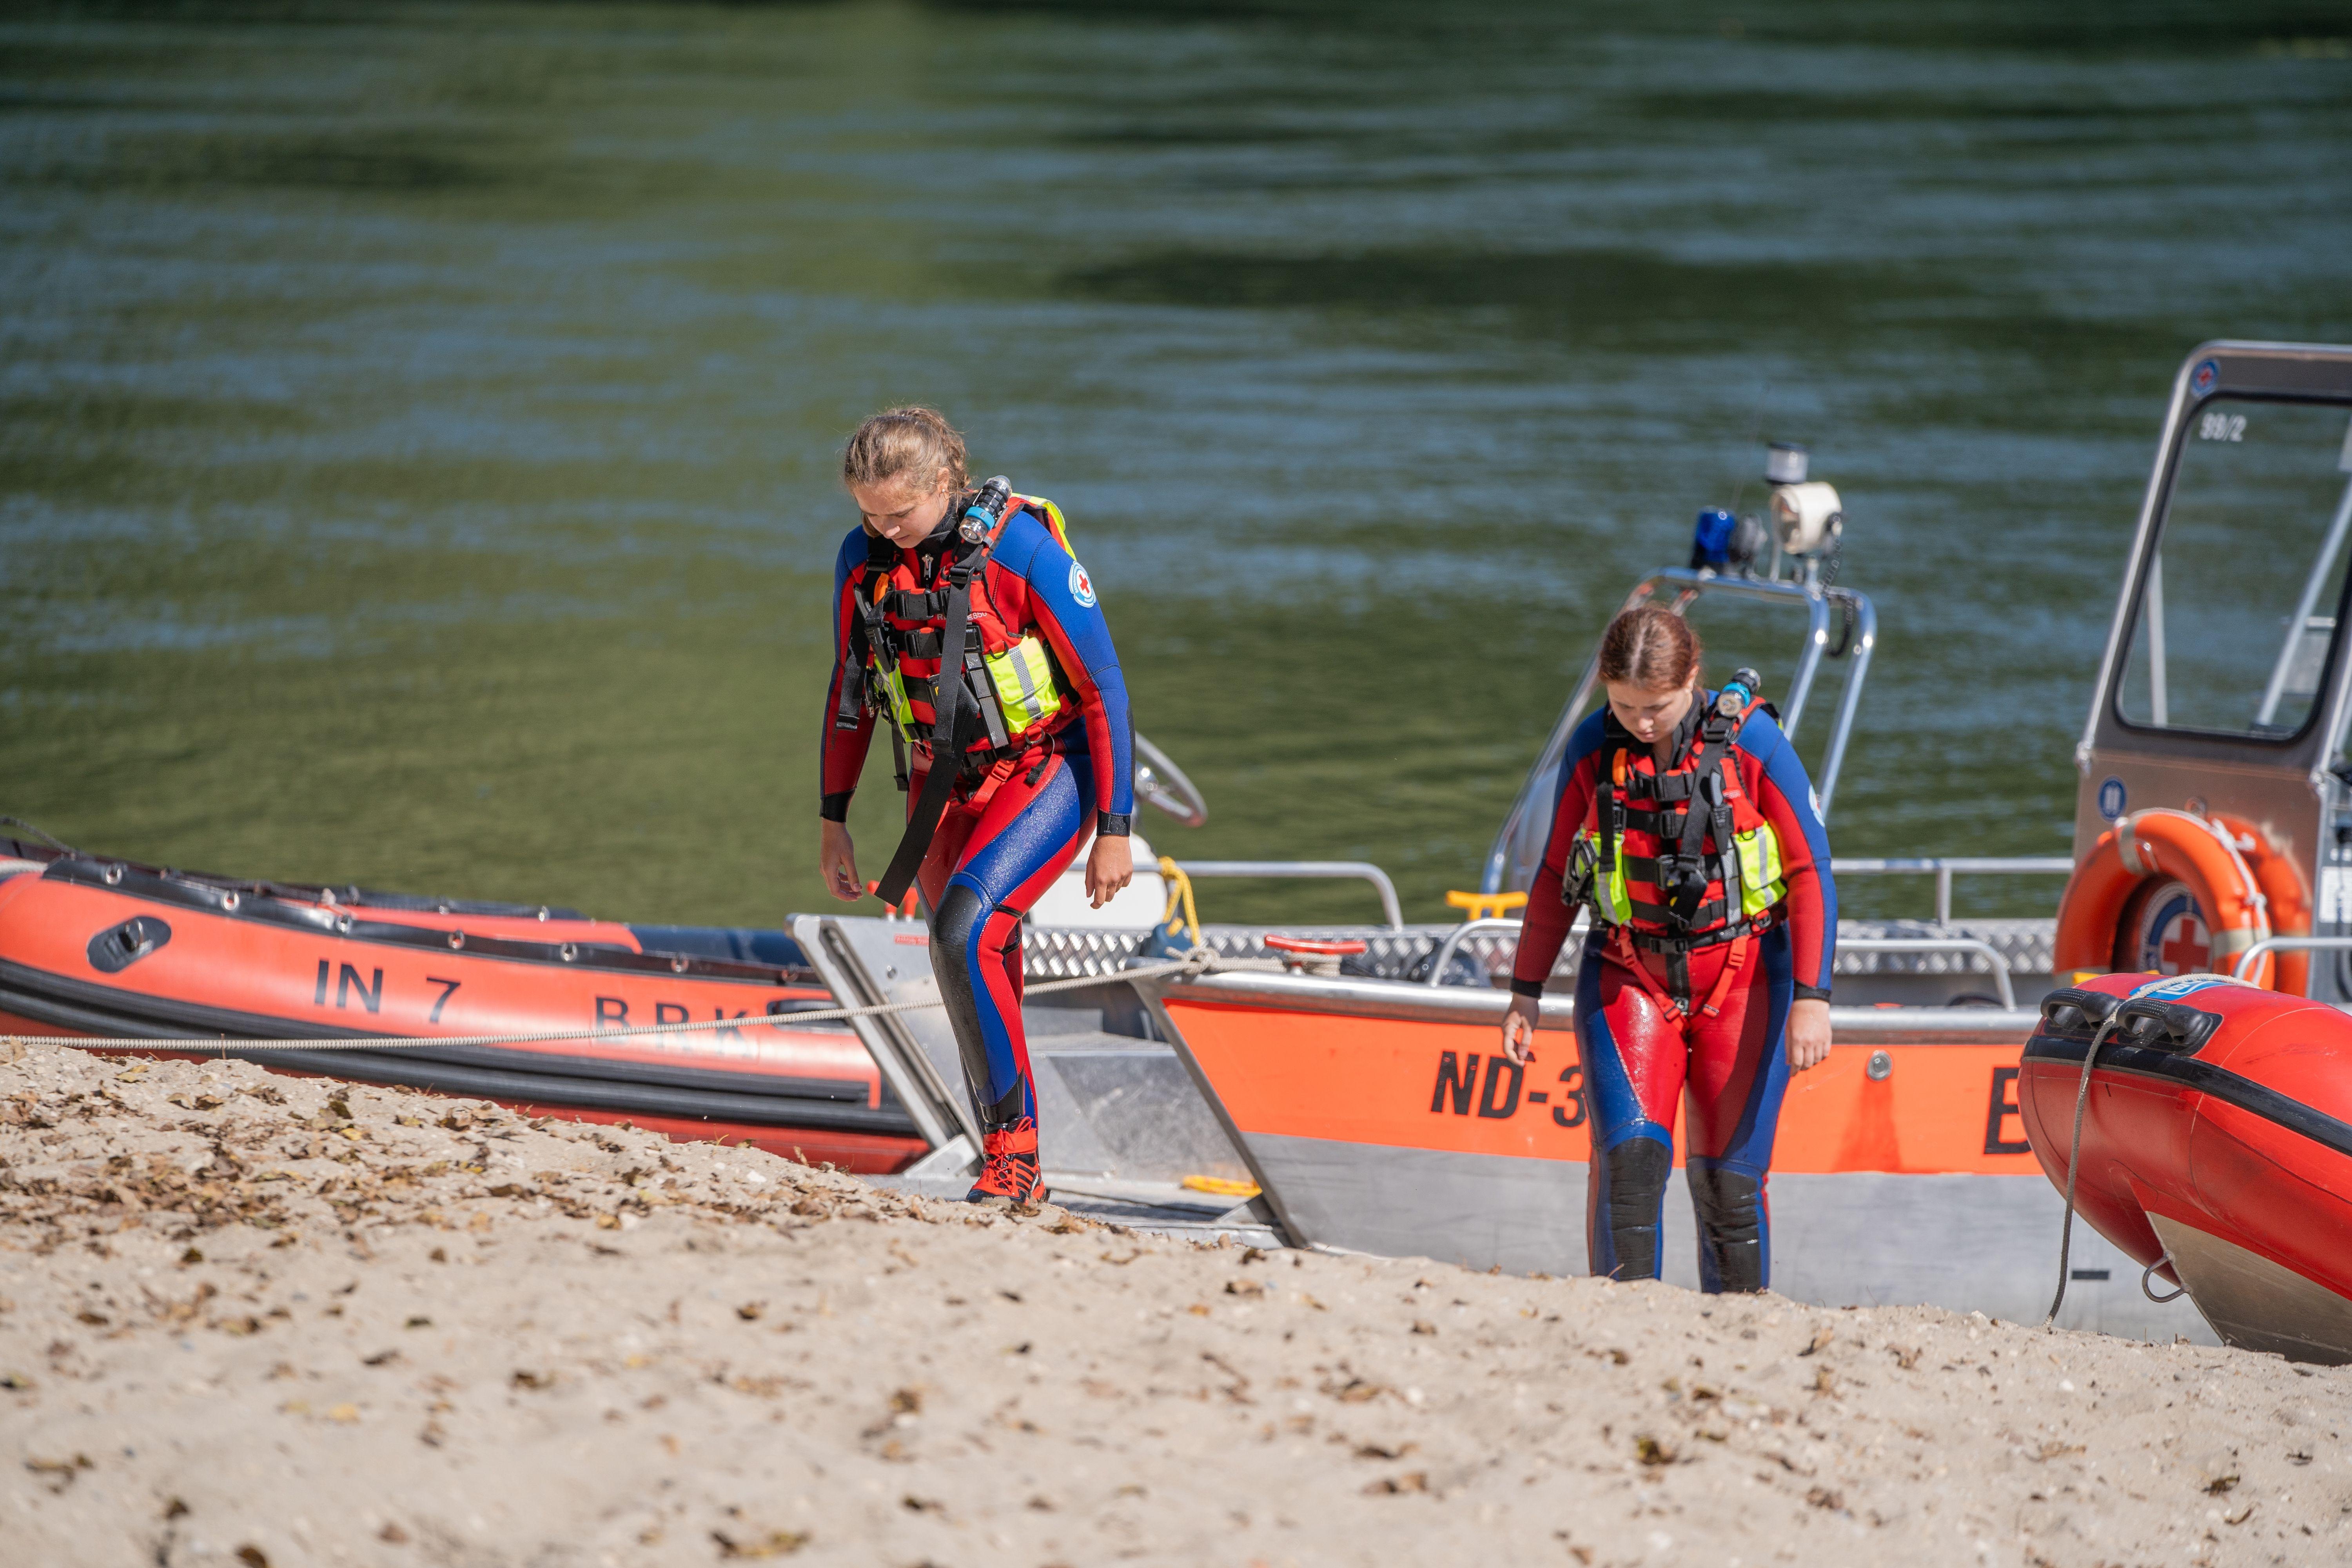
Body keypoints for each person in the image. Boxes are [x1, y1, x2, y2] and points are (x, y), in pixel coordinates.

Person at [817, 408, 1134, 1207]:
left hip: (1049, 768)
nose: (885, 530)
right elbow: (849, 695)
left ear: (945, 484)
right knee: (966, 955)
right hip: (941, 783)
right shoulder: (863, 562)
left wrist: (1115, 829)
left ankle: (1015, 1160)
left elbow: (1105, 692)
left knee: (965, 932)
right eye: (869, 513)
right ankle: (1003, 1155)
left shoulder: (1021, 549)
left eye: (901, 513)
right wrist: (834, 819)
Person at [1500, 606, 1834, 1291]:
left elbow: (1812, 873)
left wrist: (1813, 1000)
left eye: (1657, 706)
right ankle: (1623, 1336)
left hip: (1745, 978)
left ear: (1693, 679)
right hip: (1629, 973)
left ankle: (1740, 1338)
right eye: (1623, 705)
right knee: (1629, 1167)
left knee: (1728, 1187)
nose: (1641, 723)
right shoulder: (1594, 748)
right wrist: (1524, 993)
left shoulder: (1756, 744)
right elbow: (1553, 875)